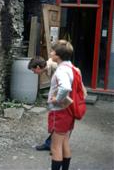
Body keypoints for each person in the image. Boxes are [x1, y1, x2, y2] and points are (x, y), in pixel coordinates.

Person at [47, 39, 76, 170]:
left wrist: (56, 99)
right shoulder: (71, 67)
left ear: (57, 55)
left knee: (55, 147)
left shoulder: (61, 71)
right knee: (64, 143)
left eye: (52, 51)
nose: (50, 52)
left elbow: (65, 88)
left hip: (59, 111)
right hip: (68, 111)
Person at [28, 56, 57, 151]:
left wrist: (57, 98)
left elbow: (65, 86)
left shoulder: (56, 67)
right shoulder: (48, 68)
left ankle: (57, 148)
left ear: (38, 67)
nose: (33, 73)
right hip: (57, 99)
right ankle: (52, 144)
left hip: (63, 99)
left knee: (60, 123)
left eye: (33, 70)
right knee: (56, 122)